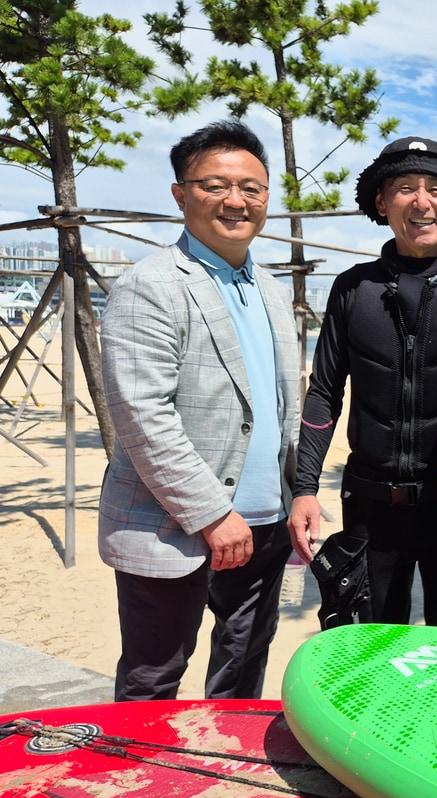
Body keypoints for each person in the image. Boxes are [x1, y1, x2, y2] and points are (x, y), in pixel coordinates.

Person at [99, 121, 299, 701]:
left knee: (241, 672)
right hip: (174, 526)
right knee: (153, 675)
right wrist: (213, 514)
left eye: (252, 188)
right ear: (180, 194)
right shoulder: (151, 284)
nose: (236, 201)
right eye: (215, 185)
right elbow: (143, 417)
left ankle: (224, 779)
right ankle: (134, 788)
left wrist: (295, 496)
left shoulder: (268, 286)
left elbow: (282, 404)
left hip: (264, 524)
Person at [289, 136, 437, 628]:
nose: (422, 202)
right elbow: (324, 391)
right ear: (382, 203)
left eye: (436, 189)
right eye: (405, 188)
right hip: (370, 504)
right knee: (370, 642)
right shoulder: (354, 287)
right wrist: (304, 486)